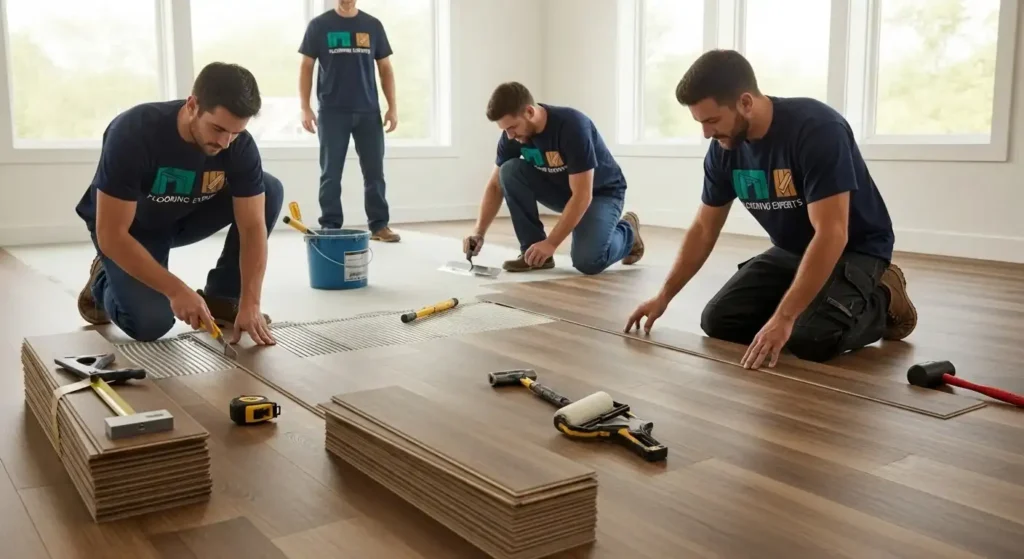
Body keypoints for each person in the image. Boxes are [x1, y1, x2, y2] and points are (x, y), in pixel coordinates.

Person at [625, 49, 916, 368]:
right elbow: (704, 228)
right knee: (719, 322)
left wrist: (786, 317)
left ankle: (885, 296)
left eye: (712, 120)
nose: (707, 133)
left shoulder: (817, 129)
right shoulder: (723, 149)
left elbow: (832, 232)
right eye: (700, 123)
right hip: (792, 250)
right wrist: (664, 295)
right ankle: (809, 306)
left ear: (745, 103)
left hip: (856, 248)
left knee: (812, 340)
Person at [74, 62, 283, 346]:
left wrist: (250, 303)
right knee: (151, 323)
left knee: (268, 189)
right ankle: (103, 278)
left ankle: (223, 297)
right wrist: (177, 290)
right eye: (218, 128)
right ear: (193, 105)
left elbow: (252, 226)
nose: (225, 141)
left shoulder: (239, 145)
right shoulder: (134, 132)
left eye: (235, 132)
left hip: (184, 217)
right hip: (131, 230)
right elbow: (111, 234)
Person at [463, 81, 644, 274]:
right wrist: (478, 232)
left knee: (588, 261)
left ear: (530, 112)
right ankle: (533, 254)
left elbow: (583, 195)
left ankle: (628, 232)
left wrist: (551, 243)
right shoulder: (512, 137)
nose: (509, 135)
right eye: (505, 130)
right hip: (563, 190)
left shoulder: (573, 127)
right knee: (509, 171)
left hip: (601, 193)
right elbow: (495, 186)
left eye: (512, 127)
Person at [298, 0, 400, 242]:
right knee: (330, 173)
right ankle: (331, 225)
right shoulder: (319, 26)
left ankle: (379, 225)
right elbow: (306, 68)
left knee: (375, 172)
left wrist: (392, 107)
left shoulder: (372, 25)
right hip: (332, 112)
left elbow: (385, 68)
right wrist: (305, 107)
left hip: (368, 112)